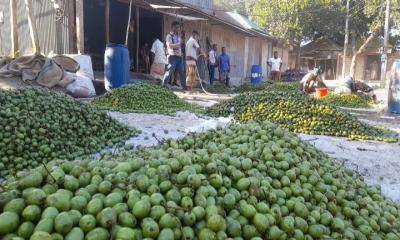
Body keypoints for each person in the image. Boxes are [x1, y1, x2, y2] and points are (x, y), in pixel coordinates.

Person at [162, 21, 186, 90]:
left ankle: (184, 87)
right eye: (176, 27)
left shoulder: (179, 36)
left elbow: (181, 45)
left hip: (179, 57)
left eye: (178, 27)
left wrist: (180, 46)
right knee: (169, 71)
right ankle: (163, 86)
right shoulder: (169, 36)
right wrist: (177, 45)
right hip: (172, 57)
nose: (178, 29)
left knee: (181, 72)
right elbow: (169, 45)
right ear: (172, 28)